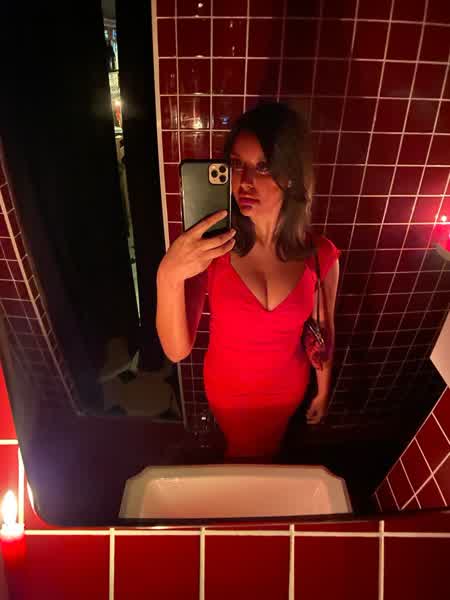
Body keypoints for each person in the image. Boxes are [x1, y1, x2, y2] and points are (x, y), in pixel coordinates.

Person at [156, 102, 340, 460]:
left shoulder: (321, 254)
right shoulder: (211, 249)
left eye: (263, 167)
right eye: (237, 164)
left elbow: (324, 328)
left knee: (273, 451)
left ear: (292, 176)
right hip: (228, 393)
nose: (244, 182)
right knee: (238, 455)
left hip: (288, 389)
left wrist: (323, 390)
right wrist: (168, 274)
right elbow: (176, 350)